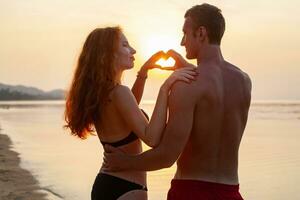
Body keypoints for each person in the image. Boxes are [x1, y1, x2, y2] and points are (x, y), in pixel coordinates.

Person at [104, 4, 252, 200]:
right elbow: (213, 89)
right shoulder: (243, 81)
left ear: (201, 33)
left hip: (191, 191)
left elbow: (167, 156)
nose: (182, 42)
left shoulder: (186, 85)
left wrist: (125, 162)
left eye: (185, 33)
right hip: (231, 192)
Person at [64, 27, 197, 200]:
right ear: (108, 54)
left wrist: (143, 72)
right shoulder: (119, 92)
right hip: (127, 188)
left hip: (106, 183)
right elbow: (152, 138)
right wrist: (166, 87)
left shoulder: (104, 93)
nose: (133, 50)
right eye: (125, 45)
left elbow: (129, 109)